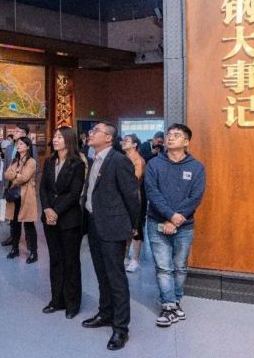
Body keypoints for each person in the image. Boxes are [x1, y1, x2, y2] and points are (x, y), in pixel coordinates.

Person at [80, 122, 140, 351]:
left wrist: (133, 225)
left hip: (113, 227)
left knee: (116, 278)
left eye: (95, 131)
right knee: (101, 274)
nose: (91, 133)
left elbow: (131, 196)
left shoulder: (119, 160)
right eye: (91, 130)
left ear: (108, 138)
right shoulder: (94, 159)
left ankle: (121, 328)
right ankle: (105, 313)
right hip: (94, 224)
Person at [145, 124, 205, 328]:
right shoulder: (154, 164)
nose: (170, 138)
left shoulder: (196, 167)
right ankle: (168, 305)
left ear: (186, 141)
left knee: (180, 267)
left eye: (176, 135)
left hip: (184, 225)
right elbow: (152, 193)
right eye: (169, 135)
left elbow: (195, 197)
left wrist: (176, 219)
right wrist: (170, 216)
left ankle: (176, 299)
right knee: (164, 268)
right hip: (157, 223)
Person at [39, 126, 86, 319]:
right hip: (49, 219)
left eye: (59, 137)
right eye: (55, 137)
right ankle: (56, 300)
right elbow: (43, 188)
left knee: (71, 262)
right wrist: (47, 209)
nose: (55, 139)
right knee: (55, 260)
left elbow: (74, 193)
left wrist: (56, 211)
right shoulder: (50, 161)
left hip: (69, 219)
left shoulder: (77, 163)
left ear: (68, 140)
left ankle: (72, 303)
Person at [1, 123, 39, 247]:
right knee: (13, 216)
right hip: (11, 186)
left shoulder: (32, 148)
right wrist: (6, 184)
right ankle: (13, 238)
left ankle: (30, 243)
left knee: (27, 218)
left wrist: (19, 177)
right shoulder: (9, 147)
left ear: (24, 134)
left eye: (17, 131)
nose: (14, 133)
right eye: (15, 130)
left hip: (25, 187)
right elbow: (6, 170)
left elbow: (35, 168)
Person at [121, 134, 147, 273]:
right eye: (123, 140)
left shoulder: (139, 160)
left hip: (136, 198)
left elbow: (134, 180)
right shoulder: (122, 158)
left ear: (135, 144)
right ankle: (125, 257)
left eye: (127, 141)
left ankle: (135, 260)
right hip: (122, 197)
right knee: (125, 227)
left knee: (136, 229)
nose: (123, 142)